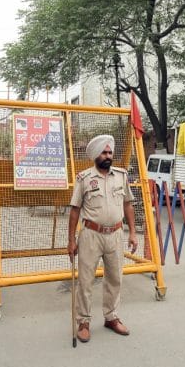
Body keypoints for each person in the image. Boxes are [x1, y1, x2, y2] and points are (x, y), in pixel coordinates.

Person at [67, 134, 138, 343]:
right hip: (90, 235)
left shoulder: (121, 176)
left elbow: (128, 204)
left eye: (110, 152)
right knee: (86, 280)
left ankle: (111, 317)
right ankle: (83, 322)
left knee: (115, 278)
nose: (108, 156)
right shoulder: (84, 178)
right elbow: (74, 210)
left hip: (116, 234)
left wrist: (132, 233)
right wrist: (71, 240)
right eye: (104, 153)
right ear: (96, 156)